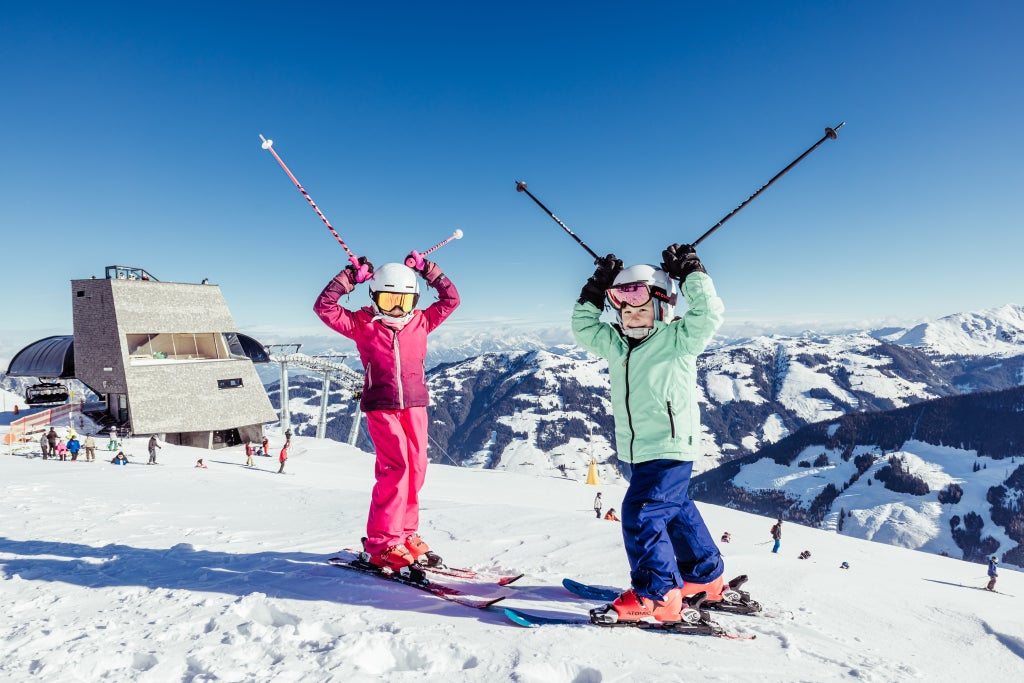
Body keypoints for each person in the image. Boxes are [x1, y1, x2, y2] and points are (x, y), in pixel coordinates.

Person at [571, 244, 732, 624]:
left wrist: (692, 272)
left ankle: (658, 594)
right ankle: (704, 577)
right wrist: (595, 287)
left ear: (662, 308)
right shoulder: (617, 343)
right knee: (675, 510)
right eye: (625, 310)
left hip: (670, 447)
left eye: (642, 309)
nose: (632, 317)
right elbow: (583, 328)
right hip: (635, 451)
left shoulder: (678, 339)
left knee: (642, 513)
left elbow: (708, 313)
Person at [314, 255, 460, 571]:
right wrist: (348, 278)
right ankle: (382, 544)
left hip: (415, 404)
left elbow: (451, 299)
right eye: (388, 300)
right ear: (374, 296)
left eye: (403, 302)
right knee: (396, 469)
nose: (396, 309)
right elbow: (324, 308)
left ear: (414, 300)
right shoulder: (362, 324)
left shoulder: (421, 321)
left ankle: (405, 534)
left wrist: (429, 270)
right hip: (382, 406)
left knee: (416, 468)